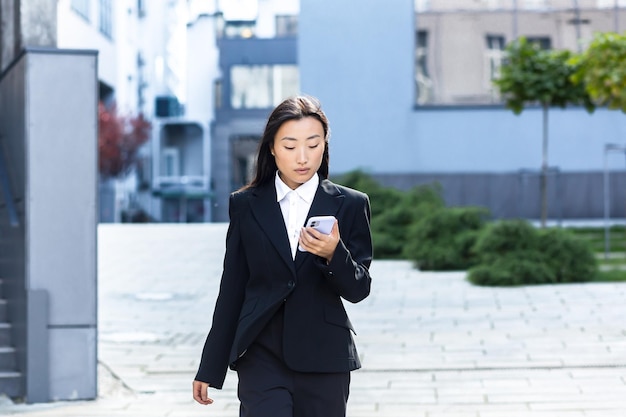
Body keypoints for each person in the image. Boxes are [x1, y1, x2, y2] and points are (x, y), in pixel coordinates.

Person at [192, 95, 373, 417]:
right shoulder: (246, 204)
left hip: (325, 357)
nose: (302, 157)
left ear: (324, 146)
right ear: (272, 148)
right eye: (290, 146)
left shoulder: (350, 204)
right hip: (261, 354)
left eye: (313, 145)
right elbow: (233, 286)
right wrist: (211, 366)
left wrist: (334, 255)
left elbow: (359, 289)